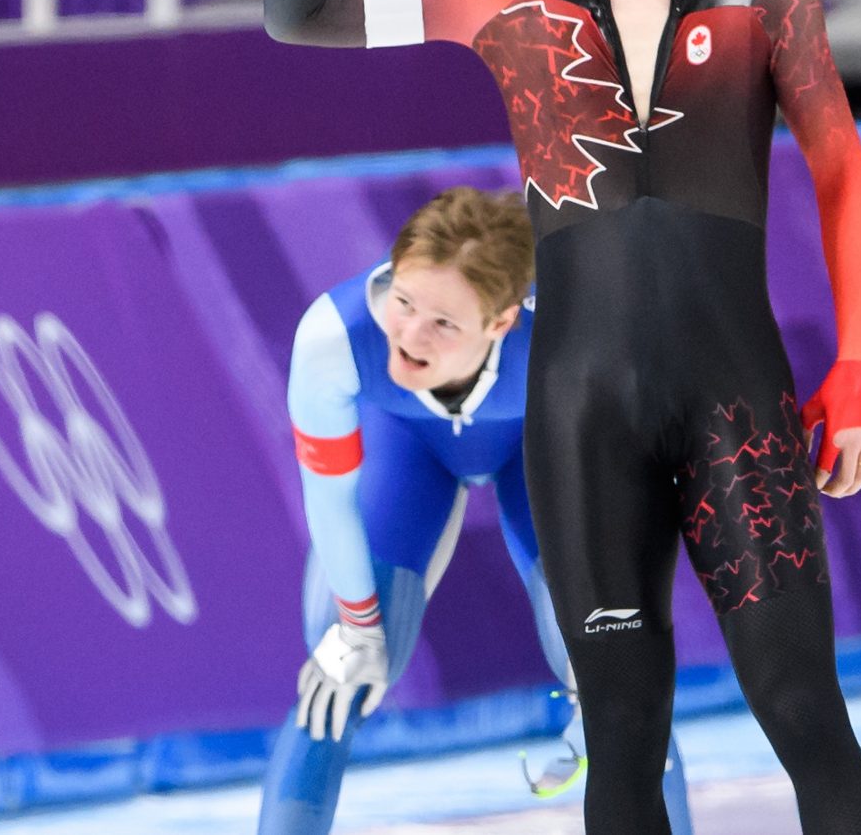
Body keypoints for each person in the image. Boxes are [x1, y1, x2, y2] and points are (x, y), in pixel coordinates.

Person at [263, 0, 861, 834]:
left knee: (802, 706)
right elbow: (298, 11)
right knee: (625, 728)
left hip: (732, 398)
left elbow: (841, 168)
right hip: (582, 411)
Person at [258, 186, 692, 835]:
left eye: (443, 324)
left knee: (617, 677)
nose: (407, 335)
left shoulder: (575, 340)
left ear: (500, 323)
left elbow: (628, 495)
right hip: (404, 450)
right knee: (334, 672)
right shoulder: (335, 335)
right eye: (402, 302)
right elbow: (329, 497)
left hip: (541, 448)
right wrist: (355, 625)